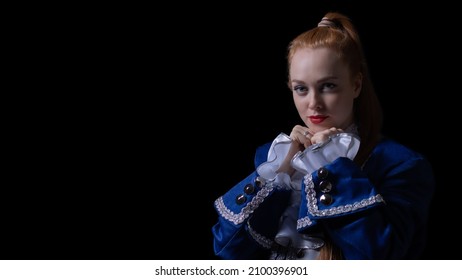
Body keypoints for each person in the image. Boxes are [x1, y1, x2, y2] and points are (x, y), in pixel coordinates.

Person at [211, 12, 435, 260]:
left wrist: (329, 164)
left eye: (328, 86)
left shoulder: (400, 164)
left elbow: (381, 257)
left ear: (356, 85)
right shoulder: (272, 156)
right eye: (301, 89)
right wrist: (284, 169)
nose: (314, 104)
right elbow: (229, 251)